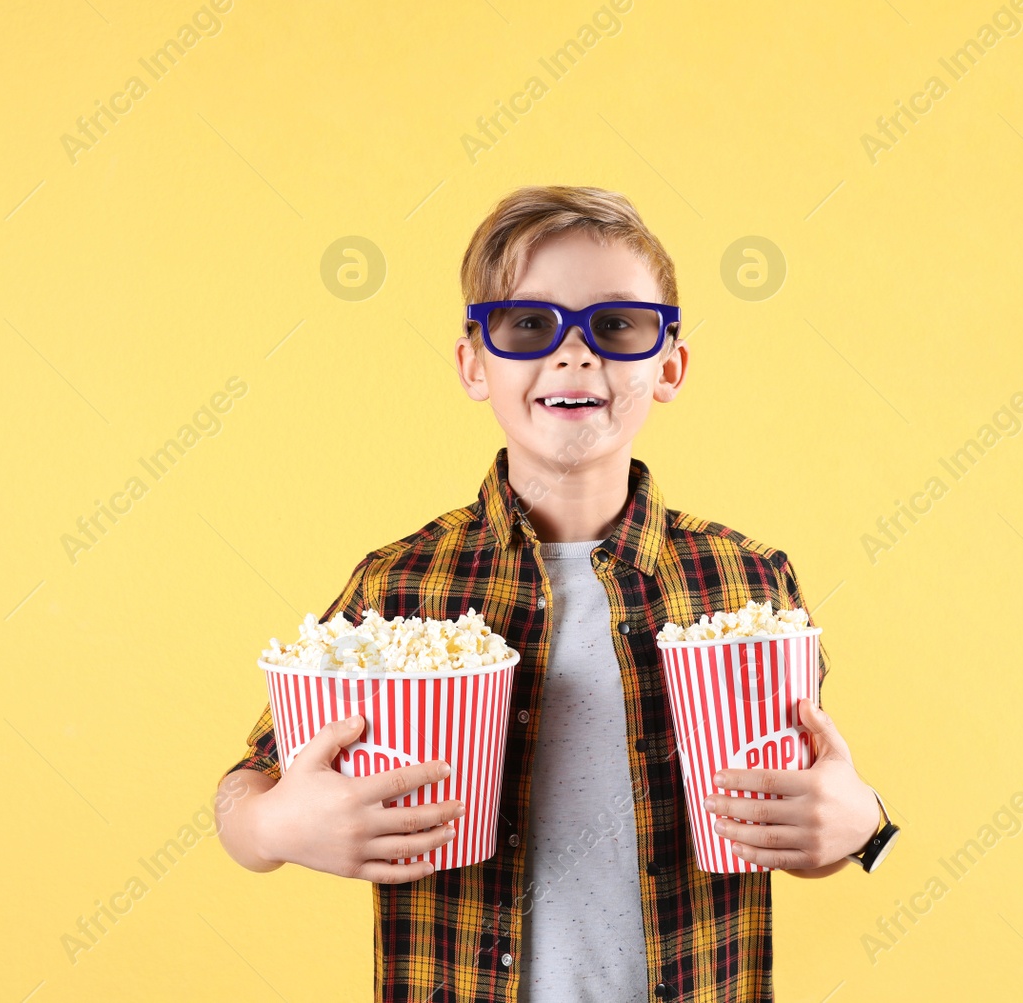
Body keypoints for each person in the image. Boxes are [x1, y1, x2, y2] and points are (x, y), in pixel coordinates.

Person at [215, 185, 889, 1002]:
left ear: (669, 364)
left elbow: (794, 818)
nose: (574, 354)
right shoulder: (401, 585)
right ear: (474, 362)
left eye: (616, 325)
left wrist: (861, 824)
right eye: (529, 324)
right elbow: (250, 783)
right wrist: (272, 825)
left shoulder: (746, 580)